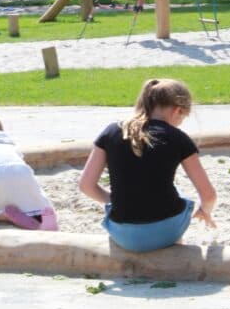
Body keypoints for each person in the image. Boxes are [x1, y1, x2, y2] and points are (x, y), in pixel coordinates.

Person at [79, 78, 216, 252]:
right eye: (182, 118)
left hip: (122, 234)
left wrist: (114, 200)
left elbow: (86, 186)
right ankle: (176, 248)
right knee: (182, 201)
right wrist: (205, 211)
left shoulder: (111, 131)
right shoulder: (178, 137)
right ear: (177, 110)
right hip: (166, 231)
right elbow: (209, 196)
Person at [0, 115, 57, 231]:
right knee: (29, 206)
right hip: (22, 170)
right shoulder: (9, 142)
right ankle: (42, 215)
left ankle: (5, 215)